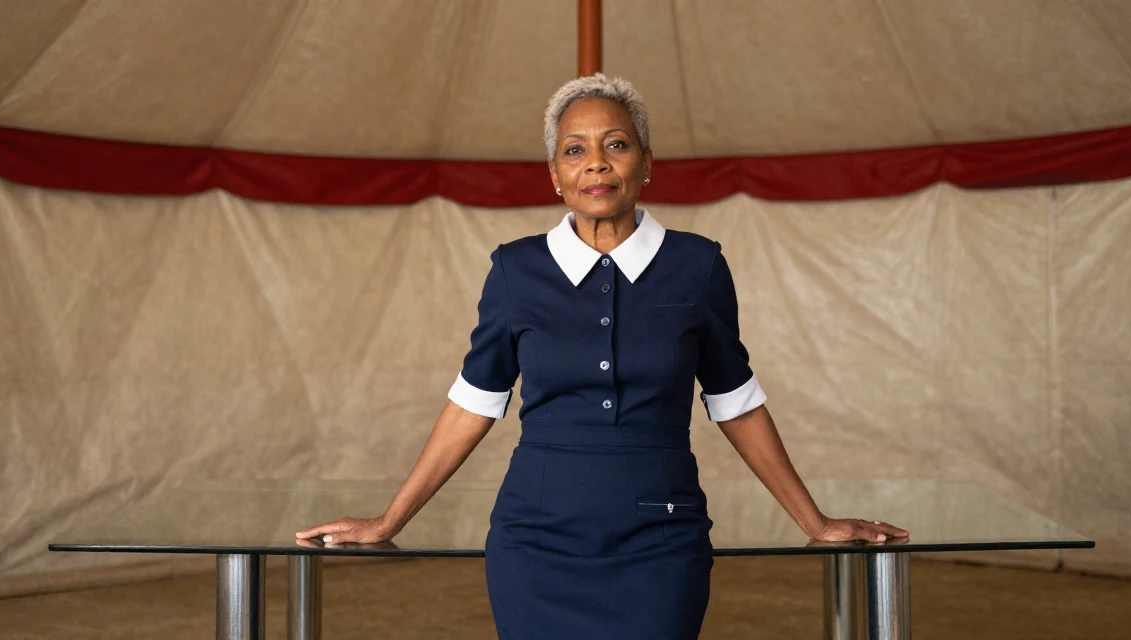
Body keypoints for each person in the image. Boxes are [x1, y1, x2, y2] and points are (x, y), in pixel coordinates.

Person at [297, 73, 908, 639]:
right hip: (534, 542)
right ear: (555, 176)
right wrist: (388, 521)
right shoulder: (515, 270)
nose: (596, 162)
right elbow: (473, 404)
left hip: (662, 540)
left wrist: (815, 522)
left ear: (646, 164)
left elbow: (736, 402)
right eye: (574, 150)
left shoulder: (698, 267)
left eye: (616, 144)